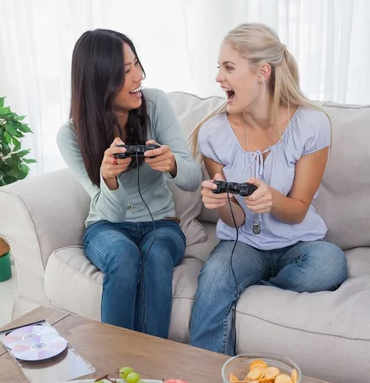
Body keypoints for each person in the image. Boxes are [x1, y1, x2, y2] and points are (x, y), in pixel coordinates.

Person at [189, 23, 347, 355]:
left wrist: (272, 200)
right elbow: (234, 221)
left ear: (262, 72)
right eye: (218, 67)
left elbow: (299, 209)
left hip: (298, 242)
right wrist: (222, 201)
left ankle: (258, 282)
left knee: (329, 265)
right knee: (214, 280)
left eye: (228, 67)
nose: (218, 77)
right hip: (241, 243)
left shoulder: (310, 125)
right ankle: (204, 382)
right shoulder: (213, 133)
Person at [57, 29, 201, 338]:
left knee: (156, 253)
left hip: (161, 225)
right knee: (123, 255)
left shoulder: (156, 103)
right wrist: (108, 179)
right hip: (106, 227)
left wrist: (172, 164)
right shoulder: (70, 135)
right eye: (126, 71)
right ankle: (116, 368)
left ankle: (151, 364)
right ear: (100, 81)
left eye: (136, 64)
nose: (139, 76)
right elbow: (114, 214)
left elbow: (193, 179)